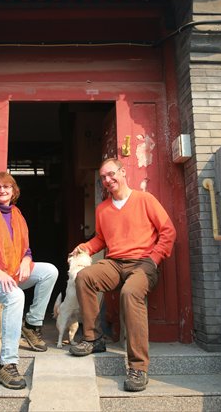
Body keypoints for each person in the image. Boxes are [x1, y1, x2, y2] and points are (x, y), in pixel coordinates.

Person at [69, 158, 176, 392]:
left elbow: (168, 231)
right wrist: (85, 248)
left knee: (130, 293)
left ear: (123, 172)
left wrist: (154, 258)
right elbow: (101, 239)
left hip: (144, 264)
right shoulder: (102, 209)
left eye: (111, 174)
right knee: (84, 277)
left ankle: (138, 367)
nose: (108, 180)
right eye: (103, 178)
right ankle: (93, 338)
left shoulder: (145, 199)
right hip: (116, 263)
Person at [0, 171, 58, 390]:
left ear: (14, 191)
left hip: (12, 273)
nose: (2, 190)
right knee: (15, 295)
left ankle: (32, 324)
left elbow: (26, 248)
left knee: (50, 271)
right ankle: (7, 364)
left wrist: (27, 259)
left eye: (7, 187)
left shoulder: (17, 215)